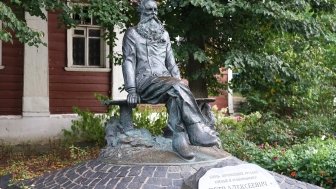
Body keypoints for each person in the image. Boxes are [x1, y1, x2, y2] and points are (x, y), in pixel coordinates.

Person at [122, 0, 218, 160]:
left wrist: (179, 82)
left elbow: (171, 63)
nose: (153, 13)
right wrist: (131, 89)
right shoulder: (132, 34)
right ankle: (195, 129)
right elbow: (128, 61)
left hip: (167, 82)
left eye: (155, 10)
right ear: (141, 12)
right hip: (145, 81)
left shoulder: (164, 34)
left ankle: (179, 138)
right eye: (149, 9)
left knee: (175, 92)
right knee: (175, 87)